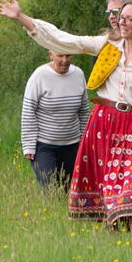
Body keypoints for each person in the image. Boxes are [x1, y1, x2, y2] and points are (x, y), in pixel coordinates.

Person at [0, 0, 132, 237]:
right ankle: (118, 251)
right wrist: (22, 18)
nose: (122, 22)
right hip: (104, 123)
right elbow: (63, 39)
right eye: (121, 18)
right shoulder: (105, 46)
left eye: (129, 19)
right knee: (109, 191)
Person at [21, 50, 91, 188]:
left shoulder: (78, 74)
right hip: (44, 145)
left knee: (67, 188)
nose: (65, 60)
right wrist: (28, 145)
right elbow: (29, 110)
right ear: (50, 55)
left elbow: (84, 110)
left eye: (68, 55)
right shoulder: (39, 76)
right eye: (60, 56)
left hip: (72, 144)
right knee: (49, 187)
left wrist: (84, 140)